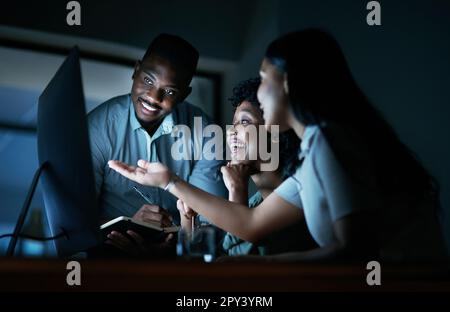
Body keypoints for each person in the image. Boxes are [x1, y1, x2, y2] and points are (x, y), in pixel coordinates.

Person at [108, 29, 446, 262]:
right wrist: (170, 183)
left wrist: (255, 267)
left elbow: (352, 251)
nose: (259, 91)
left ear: (287, 83)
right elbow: (251, 224)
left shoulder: (329, 139)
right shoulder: (315, 149)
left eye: (264, 77)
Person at [88, 33, 227, 256]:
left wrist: (173, 245)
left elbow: (213, 222)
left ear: (184, 95)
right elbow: (75, 221)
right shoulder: (96, 127)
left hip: (181, 265)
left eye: (170, 91)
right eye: (148, 80)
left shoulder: (206, 133)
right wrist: (131, 226)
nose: (154, 97)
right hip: (109, 259)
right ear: (136, 70)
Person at [203, 77, 316, 255]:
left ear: (274, 132)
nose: (232, 131)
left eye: (245, 121)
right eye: (233, 124)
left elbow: (240, 267)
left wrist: (236, 189)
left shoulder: (297, 196)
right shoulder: (256, 202)